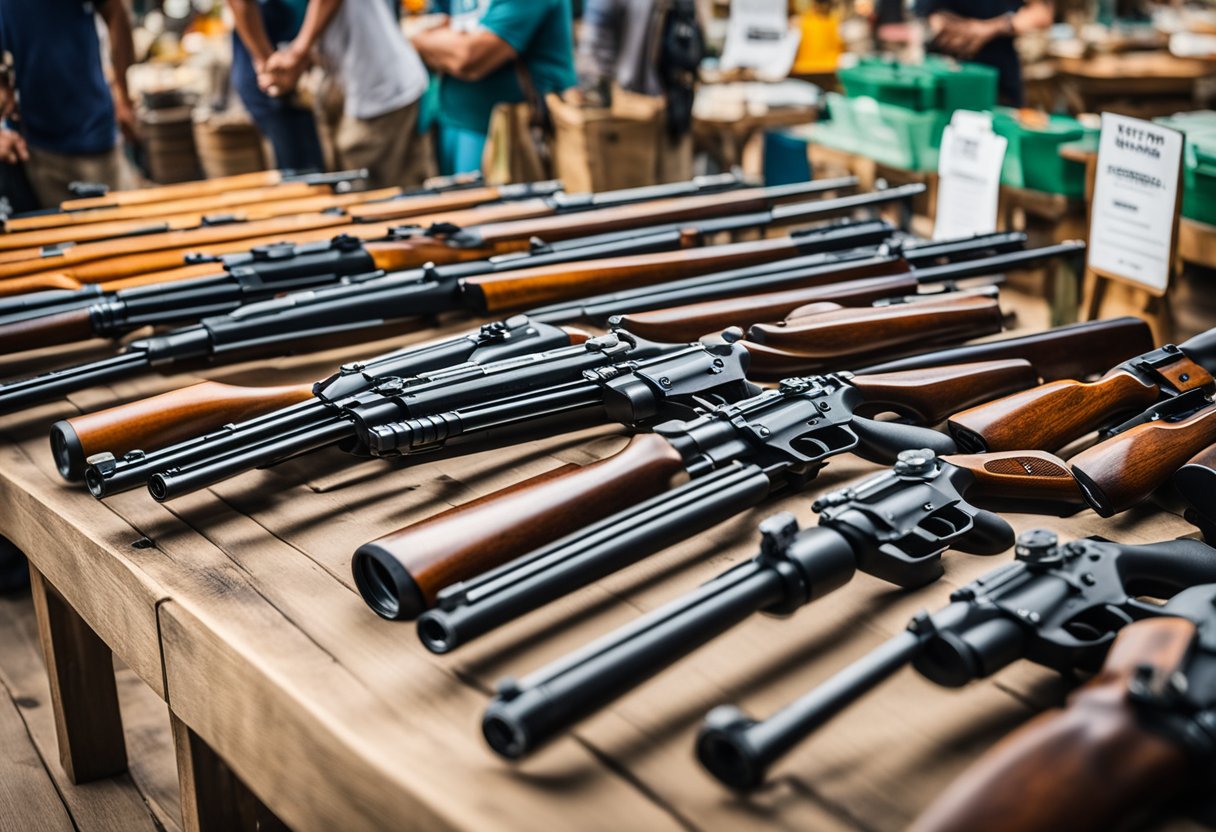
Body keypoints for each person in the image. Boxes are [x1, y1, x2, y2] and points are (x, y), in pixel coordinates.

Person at [256, 0, 434, 188]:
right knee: (356, 190)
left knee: (387, 197)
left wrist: (296, 52)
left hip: (381, 90)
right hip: (351, 89)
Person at [412, 0, 577, 176]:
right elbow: (434, 25)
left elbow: (470, 58)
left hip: (515, 134)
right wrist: (435, 44)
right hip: (450, 121)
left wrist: (418, 39)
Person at [0, 0, 140, 208]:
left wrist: (122, 93)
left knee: (123, 226)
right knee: (61, 231)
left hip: (91, 133)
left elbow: (115, 11)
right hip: (33, 145)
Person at [226, 0, 326, 172]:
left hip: (291, 57)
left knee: (309, 159)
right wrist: (268, 64)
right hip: (270, 62)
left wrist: (300, 51)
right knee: (298, 165)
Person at [915, 0, 1053, 106]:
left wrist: (990, 28)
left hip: (1002, 83)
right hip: (951, 83)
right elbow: (938, 27)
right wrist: (1005, 25)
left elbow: (1042, 13)